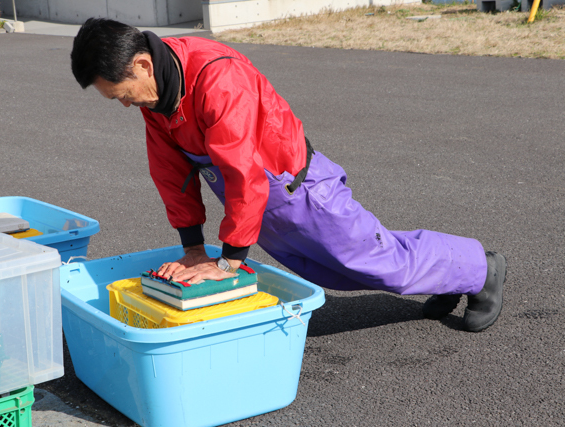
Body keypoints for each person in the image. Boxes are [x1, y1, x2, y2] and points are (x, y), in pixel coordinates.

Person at [70, 18, 507, 332]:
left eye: (123, 95)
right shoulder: (158, 94)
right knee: (333, 270)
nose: (126, 105)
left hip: (299, 192)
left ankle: (482, 270)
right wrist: (194, 251)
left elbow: (243, 172)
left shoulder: (217, 78)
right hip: (257, 206)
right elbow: (170, 173)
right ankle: (450, 274)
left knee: (375, 263)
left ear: (143, 65)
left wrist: (228, 262)